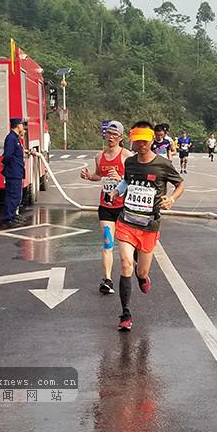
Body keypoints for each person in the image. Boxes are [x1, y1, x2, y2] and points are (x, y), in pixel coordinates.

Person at [114, 121, 185, 330]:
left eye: (145, 141)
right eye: (137, 142)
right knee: (126, 262)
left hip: (149, 225)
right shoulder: (130, 163)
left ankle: (142, 277)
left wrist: (172, 199)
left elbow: (180, 184)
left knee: (141, 272)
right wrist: (116, 192)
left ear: (152, 139)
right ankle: (125, 314)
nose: (141, 145)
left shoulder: (162, 164)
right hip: (126, 220)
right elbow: (126, 181)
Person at [80, 120, 134, 295]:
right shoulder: (99, 156)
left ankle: (134, 269)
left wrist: (120, 178)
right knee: (107, 242)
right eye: (108, 134)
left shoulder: (127, 156)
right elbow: (98, 175)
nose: (110, 137)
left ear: (120, 137)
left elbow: (134, 181)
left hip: (124, 207)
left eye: (114, 134)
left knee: (127, 246)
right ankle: (107, 280)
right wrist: (89, 176)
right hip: (106, 206)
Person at [1, 118, 26, 226]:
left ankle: (13, 216)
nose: (23, 127)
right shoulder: (11, 138)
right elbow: (8, 155)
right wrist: (5, 163)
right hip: (13, 172)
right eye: (21, 125)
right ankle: (8, 218)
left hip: (17, 171)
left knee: (16, 195)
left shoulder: (16, 138)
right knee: (12, 195)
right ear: (17, 126)